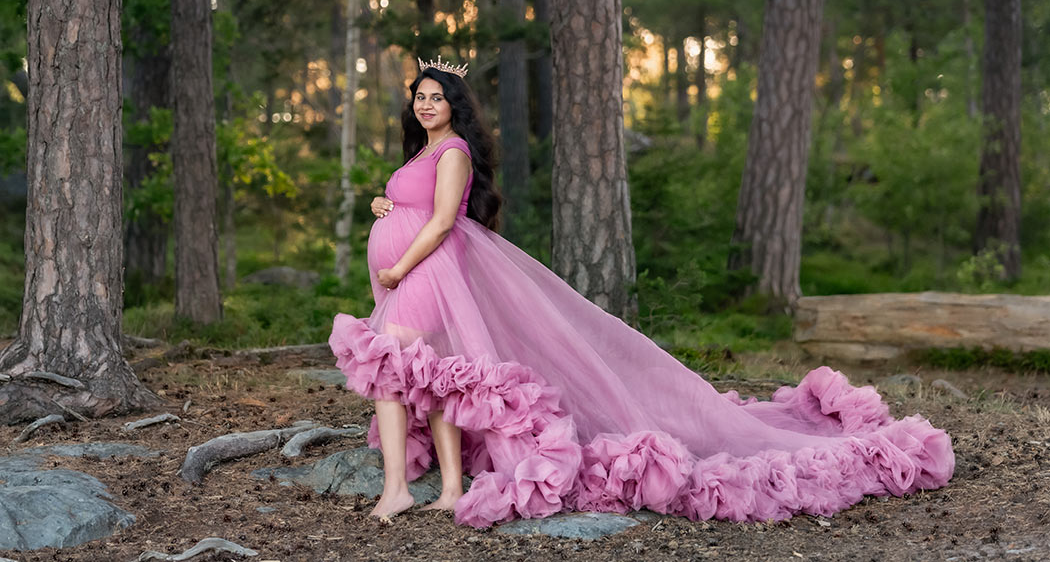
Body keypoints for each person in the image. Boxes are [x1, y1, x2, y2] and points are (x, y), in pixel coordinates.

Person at [329, 57, 955, 528]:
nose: (427, 105)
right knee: (436, 379)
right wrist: (385, 202)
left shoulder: (456, 151)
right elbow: (413, 205)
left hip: (424, 274)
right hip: (417, 275)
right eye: (420, 98)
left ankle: (399, 489)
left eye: (437, 97)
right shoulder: (424, 151)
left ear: (456, 105)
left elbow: (441, 222)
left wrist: (395, 268)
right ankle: (446, 488)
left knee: (393, 374)